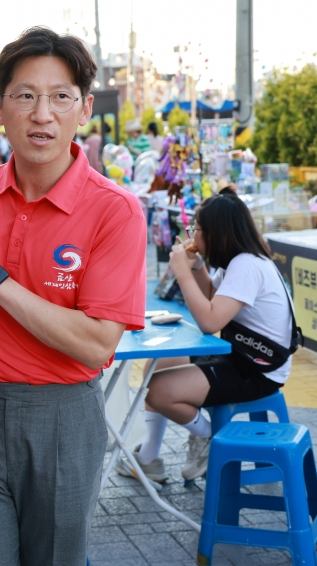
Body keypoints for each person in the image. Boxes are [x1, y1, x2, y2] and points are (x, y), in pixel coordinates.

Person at [0, 26, 147, 566]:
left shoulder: (114, 210)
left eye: (59, 97)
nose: (42, 114)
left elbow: (96, 345)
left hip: (63, 418)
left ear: (85, 108)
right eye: (25, 96)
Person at [117, 193, 296, 483]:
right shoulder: (237, 261)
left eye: (196, 230)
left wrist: (182, 273)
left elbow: (210, 322)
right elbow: (214, 297)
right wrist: (198, 267)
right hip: (239, 354)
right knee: (157, 363)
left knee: (159, 389)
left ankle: (206, 437)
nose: (192, 235)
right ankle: (148, 458)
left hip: (259, 367)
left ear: (215, 233)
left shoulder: (247, 265)